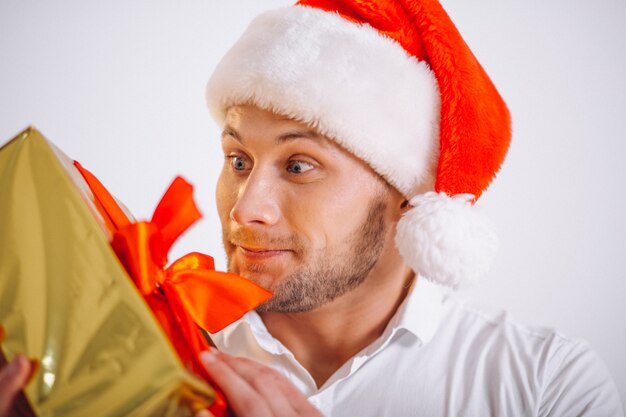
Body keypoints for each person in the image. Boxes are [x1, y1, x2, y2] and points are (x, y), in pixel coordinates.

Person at [1, 0, 623, 416]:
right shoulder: (152, 359)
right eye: (238, 159)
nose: (248, 208)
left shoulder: (544, 384)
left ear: (406, 196)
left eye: (299, 165)